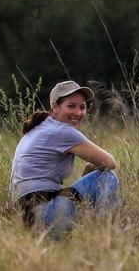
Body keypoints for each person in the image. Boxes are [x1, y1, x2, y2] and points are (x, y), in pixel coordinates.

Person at [10, 80, 120, 230]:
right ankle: (105, 231)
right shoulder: (62, 131)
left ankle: (86, 227)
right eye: (71, 106)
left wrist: (89, 169)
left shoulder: (41, 126)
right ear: (55, 107)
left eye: (82, 107)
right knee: (108, 177)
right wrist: (91, 168)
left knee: (95, 177)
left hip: (28, 215)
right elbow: (110, 162)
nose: (78, 113)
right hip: (46, 212)